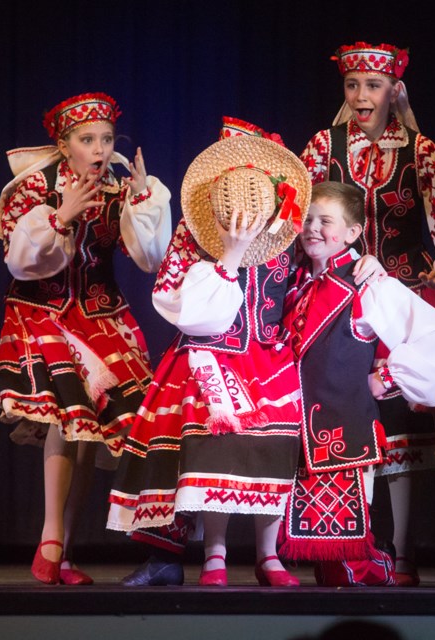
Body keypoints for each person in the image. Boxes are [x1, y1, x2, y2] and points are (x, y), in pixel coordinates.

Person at [107, 119, 384, 587]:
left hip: (267, 357)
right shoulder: (194, 235)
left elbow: (312, 281)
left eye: (253, 186)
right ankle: (205, 555)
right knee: (209, 446)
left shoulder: (284, 240)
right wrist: (230, 254)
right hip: (205, 355)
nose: (244, 199)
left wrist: (366, 261)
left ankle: (267, 555)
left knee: (275, 448)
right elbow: (178, 303)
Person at [301, 42, 435, 585]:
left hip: (403, 296)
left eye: (373, 85)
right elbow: (295, 214)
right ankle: (344, 544)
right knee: (341, 418)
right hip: (336, 301)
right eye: (353, 85)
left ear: (394, 91)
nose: (362, 95)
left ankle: (403, 551)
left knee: (401, 432)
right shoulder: (322, 145)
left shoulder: (419, 151)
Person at [0, 92, 172, 585]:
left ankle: (64, 551)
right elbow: (20, 261)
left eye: (107, 139)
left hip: (100, 312)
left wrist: (142, 204)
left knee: (92, 435)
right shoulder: (34, 188)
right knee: (66, 412)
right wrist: (60, 215)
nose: (99, 149)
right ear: (64, 143)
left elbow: (150, 258)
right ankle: (51, 537)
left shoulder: (122, 186)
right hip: (44, 312)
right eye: (87, 139)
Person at [279, 181, 435, 587]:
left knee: (346, 561)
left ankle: (383, 574)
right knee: (324, 562)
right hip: (297, 433)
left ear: (354, 232)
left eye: (326, 221)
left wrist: (386, 378)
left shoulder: (366, 283)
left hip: (344, 431)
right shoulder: (295, 283)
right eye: (307, 219)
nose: (312, 228)